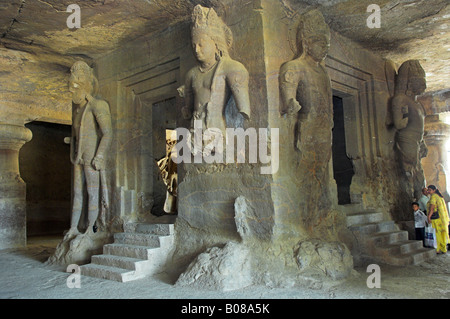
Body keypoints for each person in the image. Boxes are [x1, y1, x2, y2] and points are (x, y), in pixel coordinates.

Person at [66, 61, 112, 237]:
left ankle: (90, 230)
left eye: (74, 85)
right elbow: (76, 137)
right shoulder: (78, 111)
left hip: (91, 155)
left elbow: (107, 133)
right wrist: (72, 152)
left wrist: (99, 156)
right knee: (77, 193)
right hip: (78, 156)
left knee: (92, 193)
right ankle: (73, 228)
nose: (71, 90)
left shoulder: (97, 105)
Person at [426, 185, 450, 254]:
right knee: (442, 233)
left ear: (434, 190)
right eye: (428, 190)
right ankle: (444, 248)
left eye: (430, 190)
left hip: (435, 219)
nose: (428, 191)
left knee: (437, 233)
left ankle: (438, 249)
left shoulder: (433, 196)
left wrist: (429, 217)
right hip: (441, 219)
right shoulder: (439, 196)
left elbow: (432, 208)